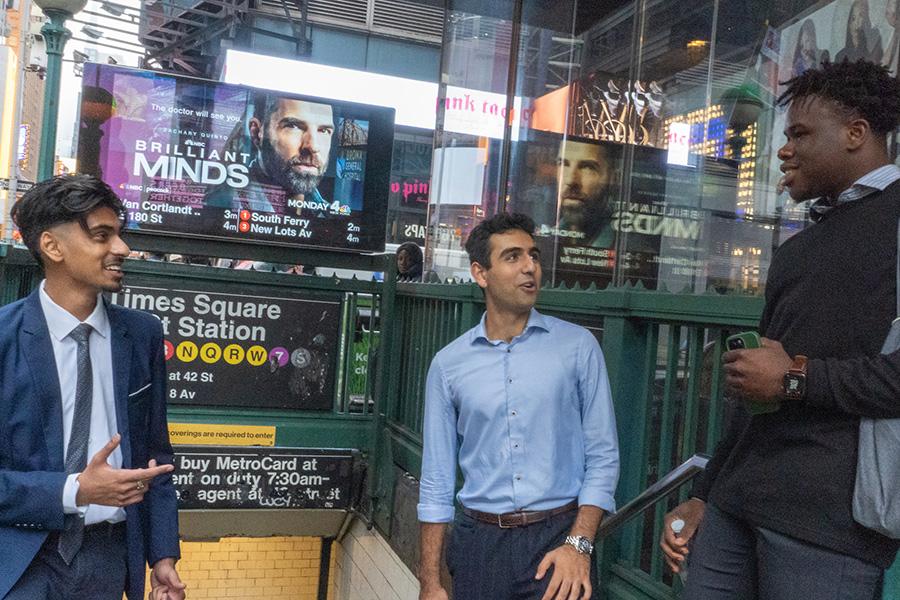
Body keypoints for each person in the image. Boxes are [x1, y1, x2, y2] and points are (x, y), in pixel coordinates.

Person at [660, 60, 900, 599]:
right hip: (734, 505)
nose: (784, 151)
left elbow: (782, 378)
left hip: (830, 527)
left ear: (856, 133)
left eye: (800, 134)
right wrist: (704, 492)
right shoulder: (799, 248)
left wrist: (794, 379)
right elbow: (756, 389)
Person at [417, 212, 619, 600]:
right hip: (479, 547)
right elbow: (437, 479)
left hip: (558, 541)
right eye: (512, 257)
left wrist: (579, 545)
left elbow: (603, 455)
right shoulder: (448, 365)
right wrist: (430, 580)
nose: (530, 267)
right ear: (480, 273)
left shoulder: (578, 347)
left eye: (534, 256)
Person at [2, 174, 185, 600]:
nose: (122, 248)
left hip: (109, 558)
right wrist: (75, 490)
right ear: (52, 246)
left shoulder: (142, 335)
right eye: (102, 236)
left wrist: (162, 556)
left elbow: (155, 456)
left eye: (119, 234)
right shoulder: (4, 338)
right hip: (16, 560)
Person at [206, 93, 335, 214]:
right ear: (256, 133)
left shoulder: (330, 215)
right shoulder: (219, 204)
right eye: (293, 126)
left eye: (324, 131)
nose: (313, 146)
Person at [557, 139, 617, 248]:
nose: (570, 180)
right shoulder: (545, 238)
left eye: (587, 167)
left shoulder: (629, 244)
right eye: (564, 164)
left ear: (611, 177)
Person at [835, 0, 883, 65]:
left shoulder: (873, 51)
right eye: (853, 18)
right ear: (849, 24)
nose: (856, 23)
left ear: (866, 20)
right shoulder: (840, 57)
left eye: (861, 16)